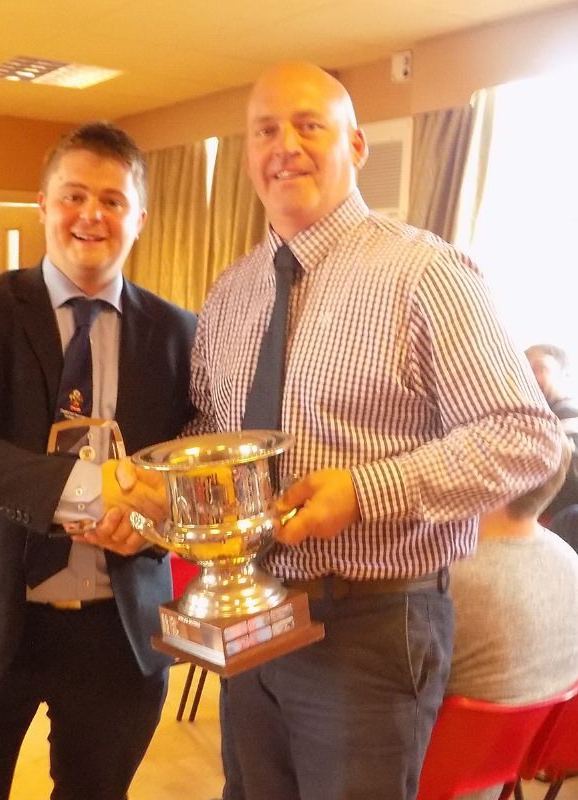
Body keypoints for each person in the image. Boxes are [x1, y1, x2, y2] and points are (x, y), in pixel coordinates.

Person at [188, 61, 563, 800]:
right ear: (247, 152)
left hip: (372, 622)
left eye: (309, 125)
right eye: (266, 129)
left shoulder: (425, 273)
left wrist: (366, 491)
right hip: (253, 609)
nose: (285, 145)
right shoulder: (230, 291)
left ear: (356, 145)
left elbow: (526, 435)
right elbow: (212, 425)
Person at [0, 121, 196, 800]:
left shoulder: (179, 333)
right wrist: (90, 490)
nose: (91, 214)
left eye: (113, 200)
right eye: (73, 195)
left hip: (118, 632)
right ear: (43, 204)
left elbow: (183, 470)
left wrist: (153, 521)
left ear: (139, 217)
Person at [447, 434, 578, 800]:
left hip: (435, 781)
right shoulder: (570, 560)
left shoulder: (454, 578)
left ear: (497, 482)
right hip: (505, 774)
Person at [526, 343, 578, 519]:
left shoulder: (569, 419)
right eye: (525, 370)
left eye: (539, 368)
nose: (530, 377)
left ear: (565, 374)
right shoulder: (530, 422)